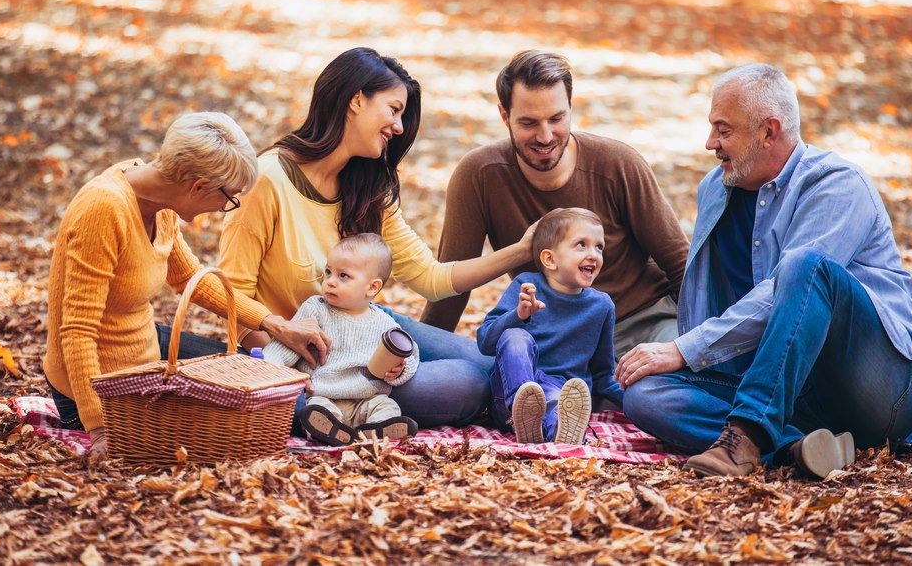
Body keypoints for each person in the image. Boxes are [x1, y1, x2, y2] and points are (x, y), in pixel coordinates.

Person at [615, 64, 912, 479]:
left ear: (769, 131)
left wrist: (683, 348)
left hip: (881, 394)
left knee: (804, 266)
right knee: (645, 396)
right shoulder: (716, 190)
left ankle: (746, 438)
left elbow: (785, 291)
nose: (710, 143)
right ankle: (799, 447)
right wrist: (683, 361)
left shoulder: (837, 184)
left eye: (723, 130)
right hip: (790, 396)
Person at [219, 47, 534, 431]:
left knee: (492, 365)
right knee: (468, 383)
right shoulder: (268, 180)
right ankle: (339, 407)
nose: (399, 127)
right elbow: (231, 296)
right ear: (356, 100)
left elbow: (431, 279)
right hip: (312, 360)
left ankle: (531, 410)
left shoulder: (366, 189)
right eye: (394, 109)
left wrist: (519, 250)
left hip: (369, 328)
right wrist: (280, 369)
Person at [42, 112, 336, 458]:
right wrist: (100, 428)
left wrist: (276, 325)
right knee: (266, 414)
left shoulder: (160, 200)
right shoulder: (104, 210)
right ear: (197, 187)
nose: (226, 208)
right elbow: (75, 330)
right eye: (229, 197)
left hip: (146, 349)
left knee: (263, 387)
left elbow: (189, 279)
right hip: (99, 387)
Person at [420, 50, 689, 365]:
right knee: (472, 377)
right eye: (529, 122)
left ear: (571, 108)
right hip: (556, 339)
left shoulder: (618, 165)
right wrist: (422, 361)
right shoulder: (480, 175)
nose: (545, 136)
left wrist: (697, 347)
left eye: (557, 119)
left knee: (652, 394)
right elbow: (453, 289)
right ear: (504, 116)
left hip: (646, 323)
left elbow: (681, 264)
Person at [477, 208, 624, 444]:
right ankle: (522, 410)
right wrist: (518, 315)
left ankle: (556, 432)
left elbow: (603, 373)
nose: (593, 254)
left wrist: (635, 402)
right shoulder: (526, 286)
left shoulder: (601, 306)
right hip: (509, 393)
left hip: (561, 393)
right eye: (581, 244)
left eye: (599, 247)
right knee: (515, 337)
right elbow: (485, 342)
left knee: (560, 400)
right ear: (550, 259)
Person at [262, 234, 419, 446]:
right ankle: (328, 431)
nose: (330, 282)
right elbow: (282, 348)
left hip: (366, 399)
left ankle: (379, 429)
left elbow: (409, 353)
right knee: (316, 411)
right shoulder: (315, 309)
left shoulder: (384, 323)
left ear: (372, 287)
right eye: (328, 272)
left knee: (386, 406)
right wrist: (272, 369)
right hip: (323, 395)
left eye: (343, 275)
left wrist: (399, 370)